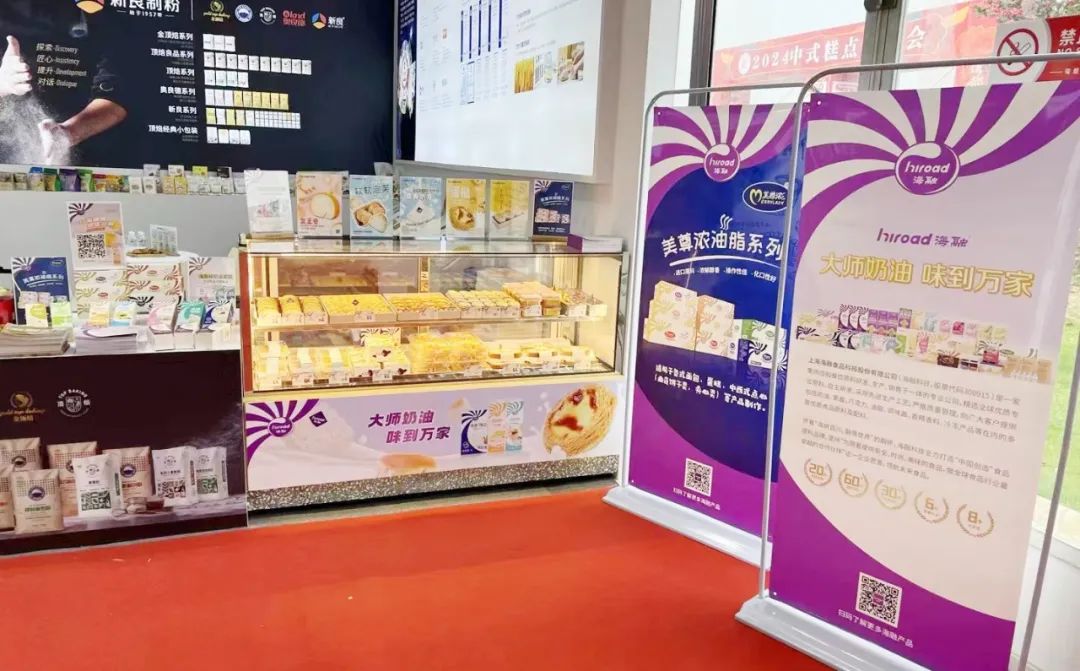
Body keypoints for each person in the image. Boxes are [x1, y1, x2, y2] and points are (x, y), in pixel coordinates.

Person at [0, 1, 129, 165]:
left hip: (89, 162)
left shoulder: (106, 12)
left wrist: (67, 134)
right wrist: (2, 85)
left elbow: (117, 91)